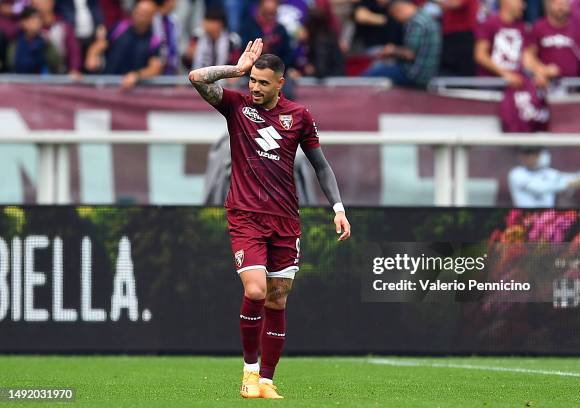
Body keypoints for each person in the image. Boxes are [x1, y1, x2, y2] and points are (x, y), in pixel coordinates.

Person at [188, 38, 351, 399]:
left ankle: (266, 380)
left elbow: (321, 167)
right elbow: (197, 76)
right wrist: (236, 69)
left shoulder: (300, 116)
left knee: (277, 299)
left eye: (263, 82)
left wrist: (338, 208)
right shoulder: (236, 106)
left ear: (280, 82)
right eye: (252, 81)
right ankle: (248, 373)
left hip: (285, 220)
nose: (255, 88)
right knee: (256, 290)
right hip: (245, 216)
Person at [85, 0, 162, 89]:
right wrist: (92, 56)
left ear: (152, 17)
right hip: (108, 87)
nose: (139, 15)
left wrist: (137, 76)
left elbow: (155, 68)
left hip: (133, 92)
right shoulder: (120, 27)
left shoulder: (154, 41)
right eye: (138, 11)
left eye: (144, 13)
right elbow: (100, 44)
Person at [362, 0, 441, 88]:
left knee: (369, 76)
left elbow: (410, 54)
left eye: (394, 16)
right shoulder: (425, 17)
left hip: (415, 74)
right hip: (426, 73)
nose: (397, 20)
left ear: (398, 10)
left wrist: (392, 50)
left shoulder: (416, 23)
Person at [508, 147, 580, 207]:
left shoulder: (550, 173)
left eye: (536, 154)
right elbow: (540, 188)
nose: (532, 157)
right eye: (529, 154)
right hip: (525, 216)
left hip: (548, 216)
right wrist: (567, 184)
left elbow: (578, 179)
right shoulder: (516, 174)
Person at [522, 0, 580, 88]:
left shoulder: (577, 28)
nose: (561, 7)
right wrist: (542, 70)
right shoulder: (539, 27)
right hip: (547, 86)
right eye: (557, 4)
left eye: (564, 4)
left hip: (575, 87)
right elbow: (527, 57)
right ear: (549, 5)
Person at [474, 0, 527, 88]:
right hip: (490, 85)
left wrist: (539, 70)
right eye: (520, 1)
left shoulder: (522, 27)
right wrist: (505, 74)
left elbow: (526, 57)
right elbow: (480, 55)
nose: (523, 6)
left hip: (514, 86)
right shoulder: (489, 23)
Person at [32, 0, 81, 75]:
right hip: (35, 77)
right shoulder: (30, 29)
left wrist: (74, 69)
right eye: (34, 4)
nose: (37, 7)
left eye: (41, 3)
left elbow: (73, 50)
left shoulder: (63, 26)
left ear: (51, 3)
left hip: (60, 74)